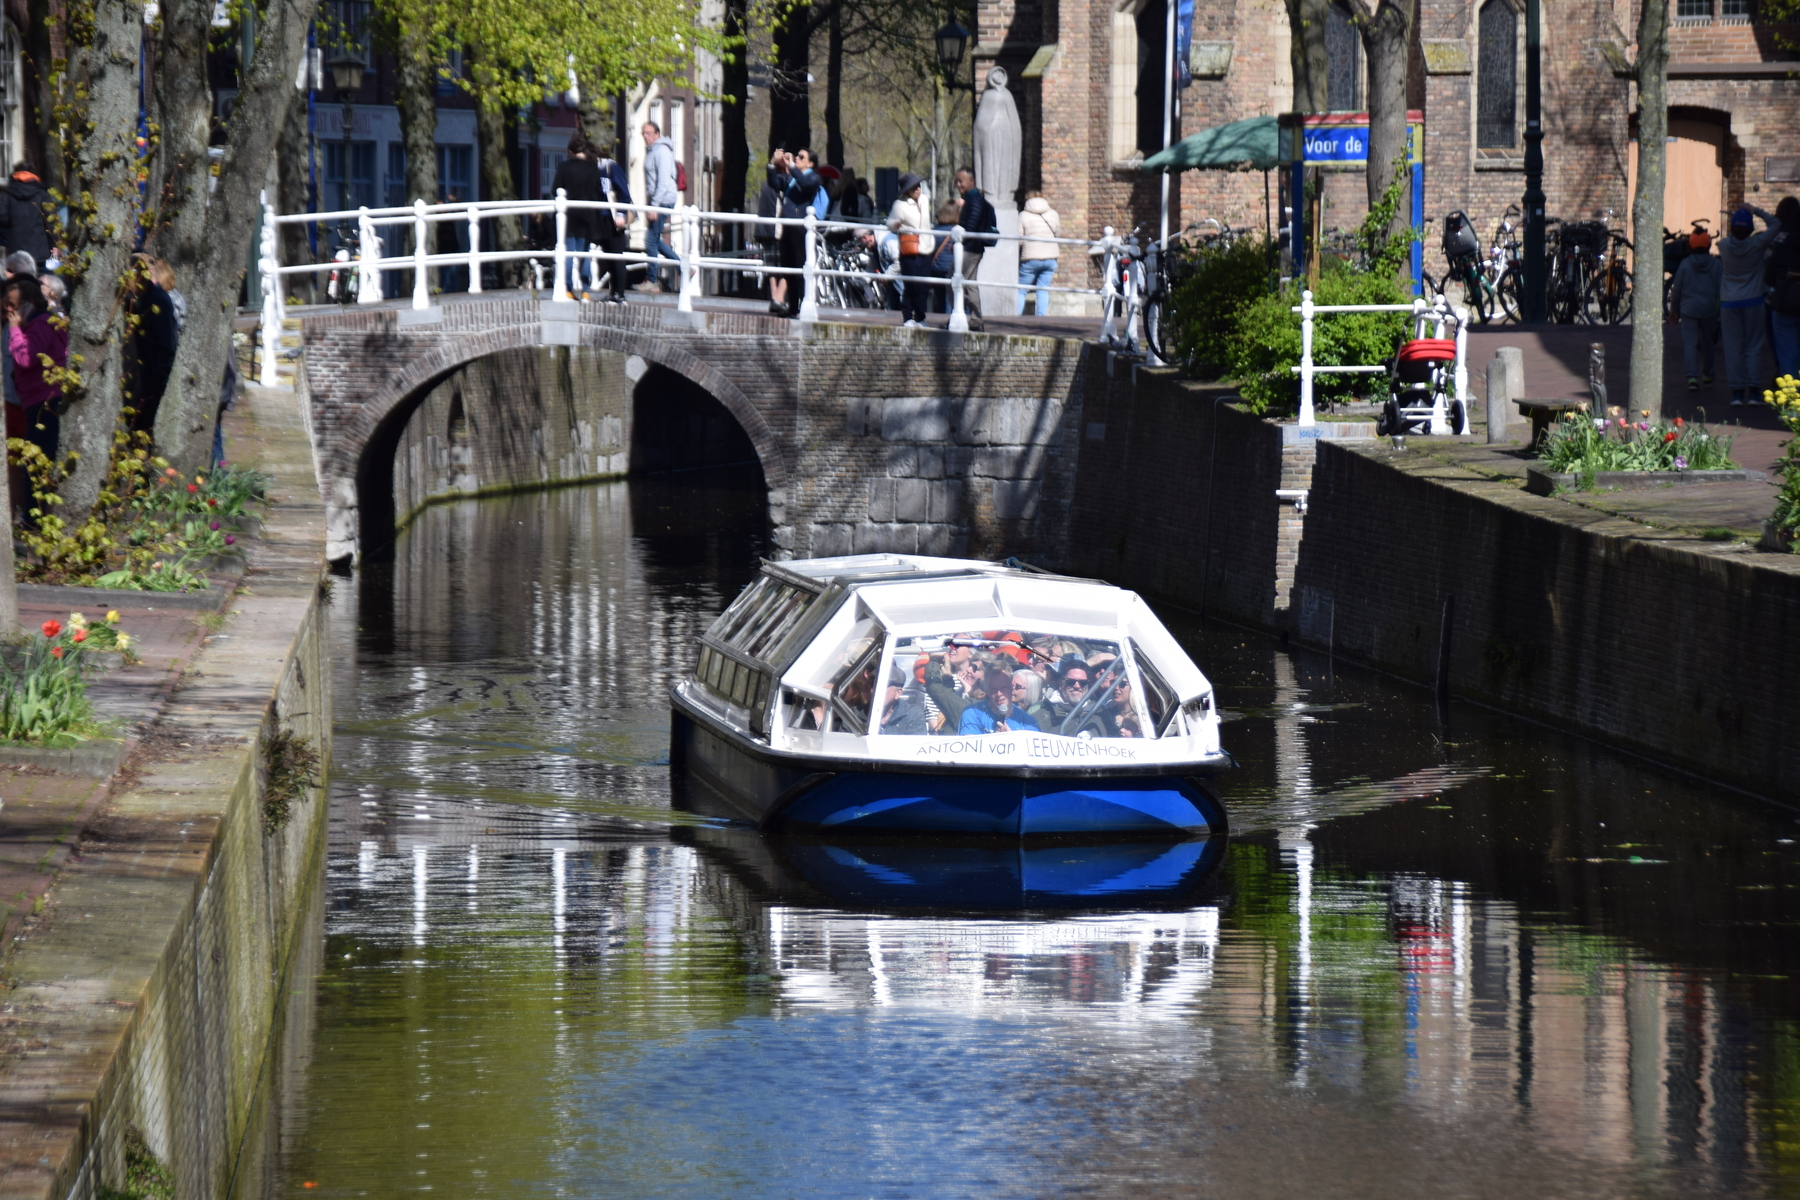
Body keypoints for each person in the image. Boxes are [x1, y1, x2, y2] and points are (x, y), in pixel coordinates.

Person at [1718, 205, 1780, 406]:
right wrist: (1755, 210)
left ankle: (1737, 393)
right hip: (1754, 300)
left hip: (1729, 302)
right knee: (1753, 346)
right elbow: (1775, 224)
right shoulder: (1758, 244)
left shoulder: (1724, 246)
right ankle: (1754, 392)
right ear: (1750, 229)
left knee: (1732, 348)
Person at [6, 274, 66, 478]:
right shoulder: (38, 323)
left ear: (29, 303)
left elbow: (26, 358)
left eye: (13, 305)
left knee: (33, 466)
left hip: (46, 401)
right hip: (38, 401)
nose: (9, 311)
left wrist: (15, 330)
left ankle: (37, 499)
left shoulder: (40, 324)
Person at [769, 147, 828, 316]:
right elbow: (774, 183)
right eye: (797, 156)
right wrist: (772, 164)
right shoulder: (792, 177)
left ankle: (804, 303)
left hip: (799, 228)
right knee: (787, 267)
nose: (797, 158)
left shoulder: (814, 178)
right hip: (787, 226)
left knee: (800, 265)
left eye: (801, 157)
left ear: (810, 163)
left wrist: (792, 167)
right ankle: (793, 306)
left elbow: (806, 184)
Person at [124, 255, 178, 433]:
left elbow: (165, 344)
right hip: (145, 378)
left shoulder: (157, 299)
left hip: (152, 381)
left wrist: (156, 383)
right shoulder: (144, 299)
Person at [551, 135, 605, 297]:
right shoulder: (593, 168)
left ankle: (568, 289)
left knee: (568, 251)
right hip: (587, 214)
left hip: (568, 214)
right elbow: (599, 191)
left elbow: (555, 190)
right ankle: (585, 291)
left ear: (570, 152)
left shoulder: (564, 167)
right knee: (584, 252)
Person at [1670, 230, 1722, 390]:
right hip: (1710, 309)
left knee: (1690, 344)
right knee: (1708, 343)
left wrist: (1674, 310)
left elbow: (1677, 289)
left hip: (1689, 309)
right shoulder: (1716, 264)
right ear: (1709, 245)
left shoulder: (1685, 264)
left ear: (1690, 246)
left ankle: (1692, 377)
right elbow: (1722, 289)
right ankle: (1708, 374)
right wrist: (1720, 312)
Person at [640, 121, 682, 292]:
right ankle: (683, 267)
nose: (645, 136)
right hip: (659, 200)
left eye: (649, 133)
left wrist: (654, 206)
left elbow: (663, 182)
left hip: (663, 200)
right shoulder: (653, 151)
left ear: (657, 134)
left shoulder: (661, 151)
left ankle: (652, 280)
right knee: (655, 240)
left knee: (650, 240)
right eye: (643, 133)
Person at [888, 172, 933, 328]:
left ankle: (920, 317)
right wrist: (896, 225)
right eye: (914, 187)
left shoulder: (924, 200)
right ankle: (908, 317)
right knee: (911, 286)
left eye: (919, 186)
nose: (918, 190)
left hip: (926, 248)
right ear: (906, 190)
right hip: (910, 250)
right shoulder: (899, 205)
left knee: (923, 287)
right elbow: (890, 222)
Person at [591, 141, 634, 303]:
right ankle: (612, 291)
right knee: (608, 256)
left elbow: (624, 193)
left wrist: (621, 214)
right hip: (601, 218)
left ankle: (620, 293)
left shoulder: (611, 168)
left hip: (613, 217)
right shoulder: (594, 169)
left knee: (616, 254)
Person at [953, 167, 996, 329]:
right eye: (957, 181)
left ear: (972, 181)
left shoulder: (975, 201)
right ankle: (976, 321)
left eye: (961, 181)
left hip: (970, 249)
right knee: (970, 284)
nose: (958, 184)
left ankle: (960, 316)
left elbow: (970, 228)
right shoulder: (971, 200)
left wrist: (958, 242)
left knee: (953, 280)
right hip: (970, 247)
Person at [1764, 196, 1800, 381]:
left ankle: (1792, 394)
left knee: (1787, 353)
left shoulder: (1779, 242)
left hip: (1783, 301)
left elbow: (1768, 276)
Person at [958, 666, 1041, 735]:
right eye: (993, 689)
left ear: (1012, 687)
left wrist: (1011, 738)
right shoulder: (973, 713)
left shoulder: (1028, 722)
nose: (999, 694)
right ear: (987, 690)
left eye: (1003, 688)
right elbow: (970, 746)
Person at [1017, 191, 1061, 316]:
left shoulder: (1023, 215)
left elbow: (1019, 239)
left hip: (1031, 257)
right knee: (1043, 290)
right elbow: (1058, 234)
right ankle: (1041, 317)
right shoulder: (1053, 214)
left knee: (1021, 290)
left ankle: (1017, 316)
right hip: (1050, 257)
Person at [0, 164, 52, 269]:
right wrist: (54, 244)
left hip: (15, 247)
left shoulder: (6, 194)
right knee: (39, 276)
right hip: (40, 248)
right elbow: (51, 221)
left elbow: (2, 217)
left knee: (17, 276)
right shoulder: (42, 194)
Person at [756, 156, 786, 316]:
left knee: (771, 267)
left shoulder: (765, 184)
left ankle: (774, 297)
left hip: (764, 230)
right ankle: (777, 299)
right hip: (777, 230)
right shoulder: (781, 184)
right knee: (783, 266)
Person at [929, 200, 962, 314]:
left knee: (940, 299)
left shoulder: (935, 230)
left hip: (936, 269)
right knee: (949, 299)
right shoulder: (958, 231)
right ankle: (948, 320)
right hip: (950, 269)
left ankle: (941, 318)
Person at [879, 665, 929, 734]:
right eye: (872, 684)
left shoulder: (913, 715)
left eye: (883, 686)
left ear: (898, 693)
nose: (875, 690)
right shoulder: (864, 713)